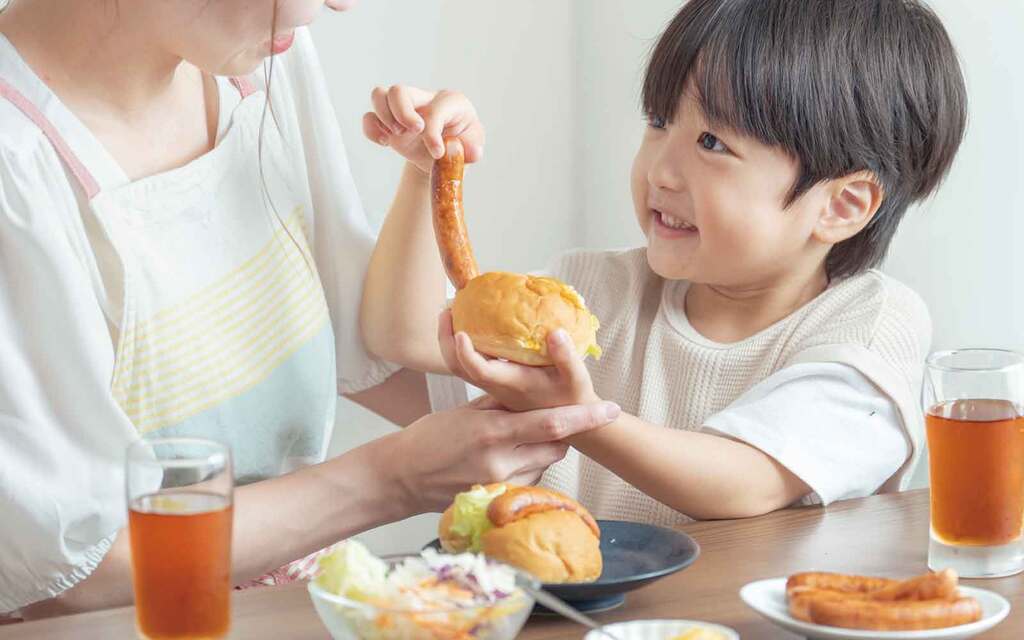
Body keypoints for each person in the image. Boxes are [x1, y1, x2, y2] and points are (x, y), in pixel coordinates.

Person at [0, 0, 620, 618]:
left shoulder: (260, 63)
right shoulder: (17, 166)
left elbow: (370, 352)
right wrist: (389, 480)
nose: (339, 3)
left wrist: (425, 177)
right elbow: (76, 571)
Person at [363, 0, 966, 524]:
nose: (659, 171)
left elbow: (749, 479)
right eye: (658, 122)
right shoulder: (591, 292)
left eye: (712, 144)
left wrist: (578, 417)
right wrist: (429, 171)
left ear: (841, 204)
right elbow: (406, 336)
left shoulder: (871, 326)